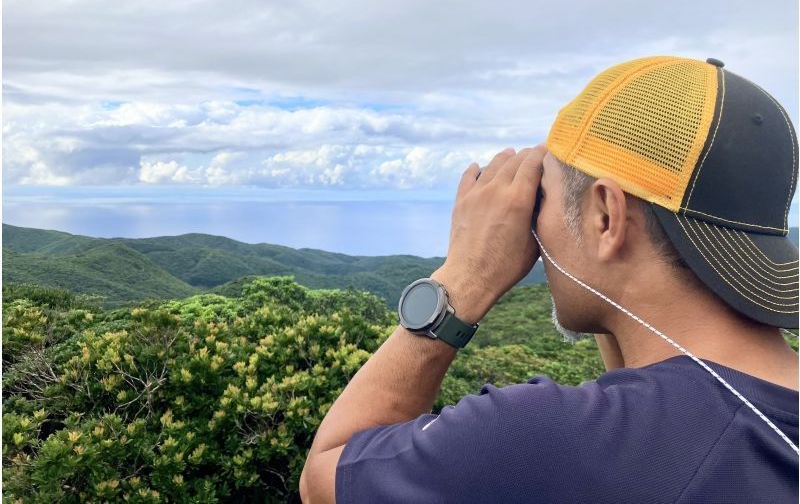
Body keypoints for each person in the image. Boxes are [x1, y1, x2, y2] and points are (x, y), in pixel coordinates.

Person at [300, 55, 799, 503]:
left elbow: (325, 476)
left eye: (543, 195)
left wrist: (465, 276)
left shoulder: (546, 438)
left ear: (607, 216)